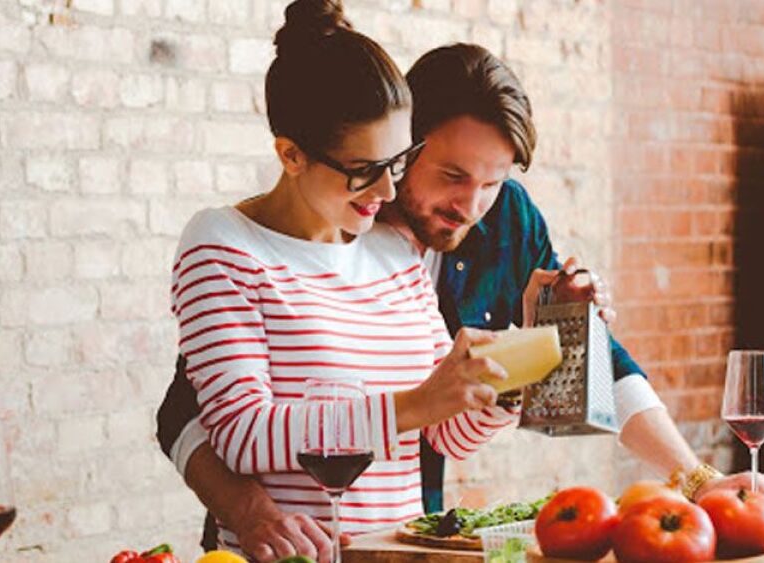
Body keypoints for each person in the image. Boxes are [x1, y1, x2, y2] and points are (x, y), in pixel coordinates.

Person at [159, 42, 764, 562]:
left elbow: (472, 415)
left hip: (400, 536)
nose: (472, 206)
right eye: (452, 176)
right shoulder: (263, 237)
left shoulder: (484, 226)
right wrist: (246, 505)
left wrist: (539, 347)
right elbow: (206, 414)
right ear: (406, 146)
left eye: (494, 182)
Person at [167, 1, 522, 557]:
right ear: (291, 154)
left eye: (398, 164)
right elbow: (241, 434)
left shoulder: (394, 251)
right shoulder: (225, 245)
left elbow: (444, 433)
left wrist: (502, 389)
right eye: (363, 170)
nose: (385, 193)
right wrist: (413, 404)